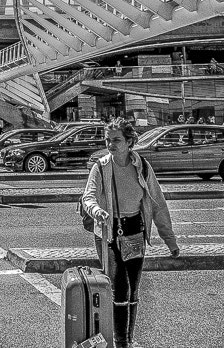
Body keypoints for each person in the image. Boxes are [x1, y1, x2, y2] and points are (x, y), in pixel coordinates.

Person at [82, 117, 179, 348]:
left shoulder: (142, 166)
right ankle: (121, 341)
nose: (110, 144)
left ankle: (129, 337)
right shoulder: (101, 167)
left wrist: (170, 240)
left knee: (133, 287)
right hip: (108, 230)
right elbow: (88, 196)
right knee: (118, 285)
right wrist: (97, 211)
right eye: (107, 140)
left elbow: (158, 204)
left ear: (129, 141)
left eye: (116, 140)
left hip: (135, 229)